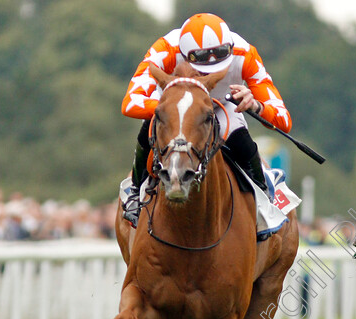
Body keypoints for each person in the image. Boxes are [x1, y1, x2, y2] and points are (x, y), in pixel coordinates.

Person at [120, 12, 292, 227]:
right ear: (184, 54)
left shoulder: (245, 53)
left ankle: (265, 203)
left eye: (221, 55)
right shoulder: (165, 49)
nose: (214, 69)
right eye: (202, 64)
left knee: (242, 141)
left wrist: (256, 105)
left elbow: (283, 119)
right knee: (150, 127)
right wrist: (179, 110)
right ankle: (135, 193)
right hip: (174, 104)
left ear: (229, 47)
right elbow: (130, 103)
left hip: (220, 105)